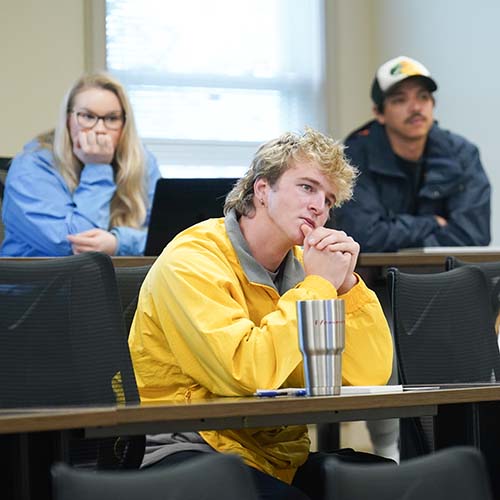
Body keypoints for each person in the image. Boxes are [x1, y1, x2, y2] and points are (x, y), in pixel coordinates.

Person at [128, 128, 394, 499]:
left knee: (391, 484)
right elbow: (246, 373)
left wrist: (346, 285)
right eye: (307, 187)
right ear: (262, 189)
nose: (320, 206)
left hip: (272, 455)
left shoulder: (306, 268)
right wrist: (318, 287)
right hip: (186, 449)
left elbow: (368, 375)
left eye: (329, 198)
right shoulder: (191, 261)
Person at [334, 55, 491, 252]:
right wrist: (431, 223)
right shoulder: (355, 156)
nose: (416, 108)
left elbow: (474, 235)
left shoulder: (463, 154)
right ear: (379, 113)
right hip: (376, 278)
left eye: (423, 97)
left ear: (433, 105)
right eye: (400, 100)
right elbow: (362, 235)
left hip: (448, 276)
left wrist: (411, 246)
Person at [0, 73, 161, 256]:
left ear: (124, 123)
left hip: (119, 282)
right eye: (87, 116)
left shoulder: (142, 162)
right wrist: (98, 168)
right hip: (45, 282)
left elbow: (167, 236)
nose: (99, 129)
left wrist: (118, 242)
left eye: (112, 118)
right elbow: (76, 245)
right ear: (68, 119)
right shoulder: (30, 168)